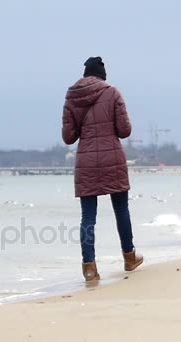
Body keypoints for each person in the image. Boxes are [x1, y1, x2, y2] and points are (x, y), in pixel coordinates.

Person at [61, 56, 143, 282]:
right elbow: (124, 130)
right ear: (102, 76)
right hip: (112, 159)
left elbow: (68, 137)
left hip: (86, 162)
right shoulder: (113, 93)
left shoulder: (72, 96)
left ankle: (89, 267)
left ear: (85, 74)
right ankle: (129, 257)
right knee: (121, 210)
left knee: (88, 216)